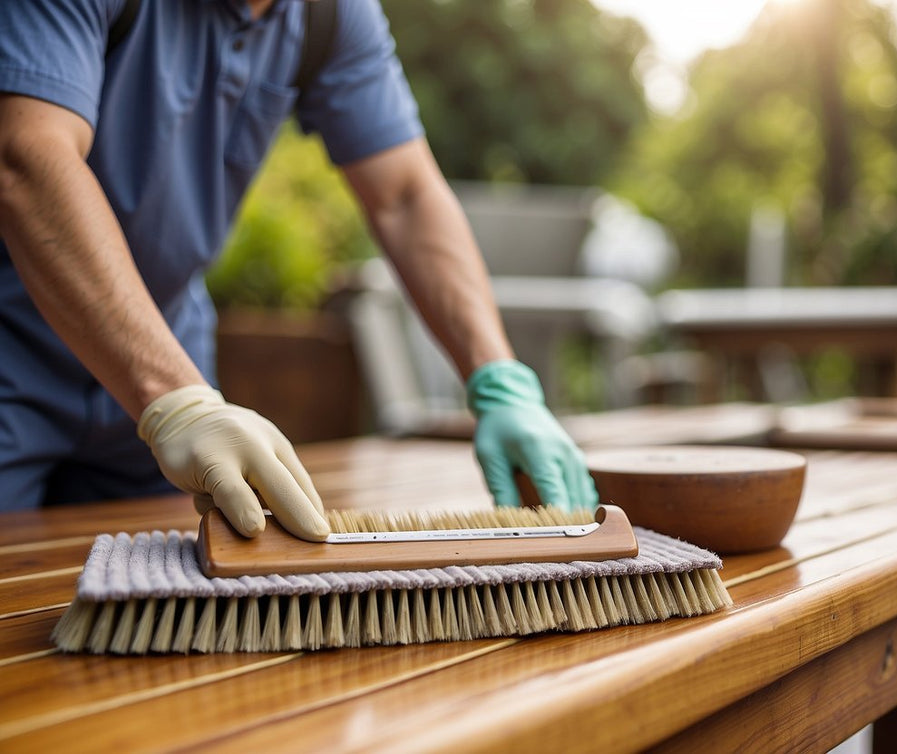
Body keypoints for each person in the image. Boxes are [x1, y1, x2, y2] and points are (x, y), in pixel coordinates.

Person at [0, 0, 598, 541]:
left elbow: (406, 195)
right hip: (23, 353)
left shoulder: (330, 15)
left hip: (167, 348)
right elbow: (29, 156)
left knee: (155, 606)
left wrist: (498, 380)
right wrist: (176, 402)